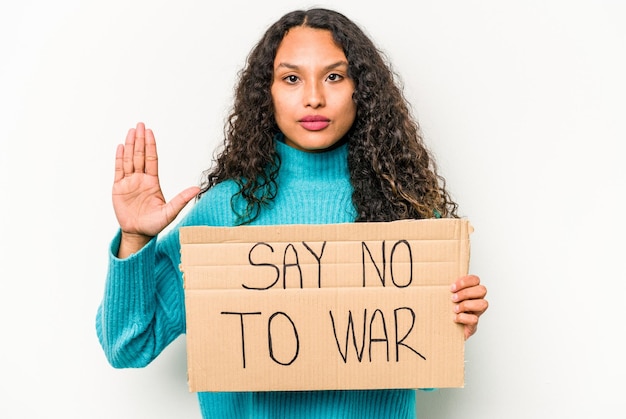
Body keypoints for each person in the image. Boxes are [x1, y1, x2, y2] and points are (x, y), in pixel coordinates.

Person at [96, 7, 488, 419]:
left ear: (363, 89)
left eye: (334, 76)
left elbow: (422, 375)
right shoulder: (225, 211)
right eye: (292, 78)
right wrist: (136, 238)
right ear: (267, 92)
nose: (314, 96)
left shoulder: (407, 207)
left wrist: (453, 325)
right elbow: (128, 347)